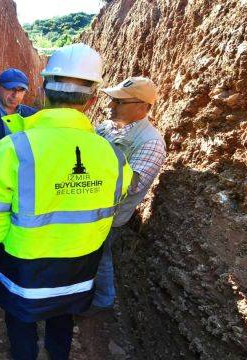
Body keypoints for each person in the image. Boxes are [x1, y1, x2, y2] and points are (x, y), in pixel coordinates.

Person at [0, 44, 133, 360]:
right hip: (79, 267)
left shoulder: (10, 150)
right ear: (92, 100)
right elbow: (117, 198)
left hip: (23, 268)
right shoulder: (114, 155)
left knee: (20, 321)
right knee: (62, 318)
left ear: (42, 90)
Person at [87, 76, 167, 313]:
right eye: (113, 100)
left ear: (143, 107)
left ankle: (103, 299)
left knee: (100, 256)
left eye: (119, 102)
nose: (111, 106)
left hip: (109, 216)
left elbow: (131, 185)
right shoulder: (105, 127)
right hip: (89, 207)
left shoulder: (151, 142)